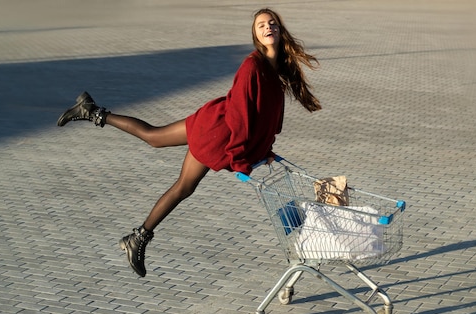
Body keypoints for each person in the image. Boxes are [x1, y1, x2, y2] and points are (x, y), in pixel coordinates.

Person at [56, 8, 321, 277]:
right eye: (261, 25)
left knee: (155, 139)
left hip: (215, 123)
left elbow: (267, 117)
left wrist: (266, 150)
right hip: (218, 133)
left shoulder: (276, 72)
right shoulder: (252, 66)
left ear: (280, 29)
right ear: (255, 34)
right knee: (180, 182)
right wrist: (239, 158)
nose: (267, 27)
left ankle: (92, 111)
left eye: (272, 23)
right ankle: (137, 237)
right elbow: (241, 115)